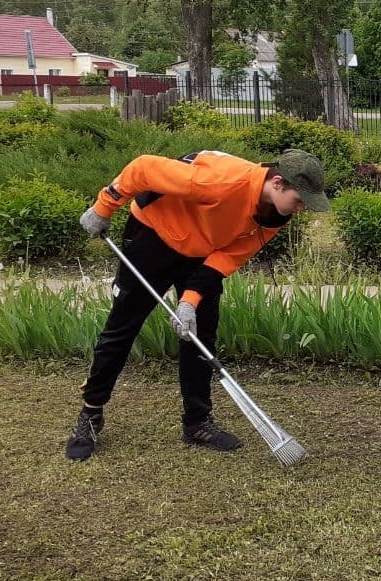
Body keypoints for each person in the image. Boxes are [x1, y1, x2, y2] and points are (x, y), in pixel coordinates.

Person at [66, 148, 331, 461]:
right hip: (153, 237)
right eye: (299, 200)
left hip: (203, 254)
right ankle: (91, 414)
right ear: (277, 183)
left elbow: (228, 257)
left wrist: (189, 301)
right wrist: (104, 206)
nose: (300, 209)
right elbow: (144, 168)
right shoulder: (220, 181)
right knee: (122, 328)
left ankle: (197, 422)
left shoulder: (276, 213)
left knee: (200, 336)